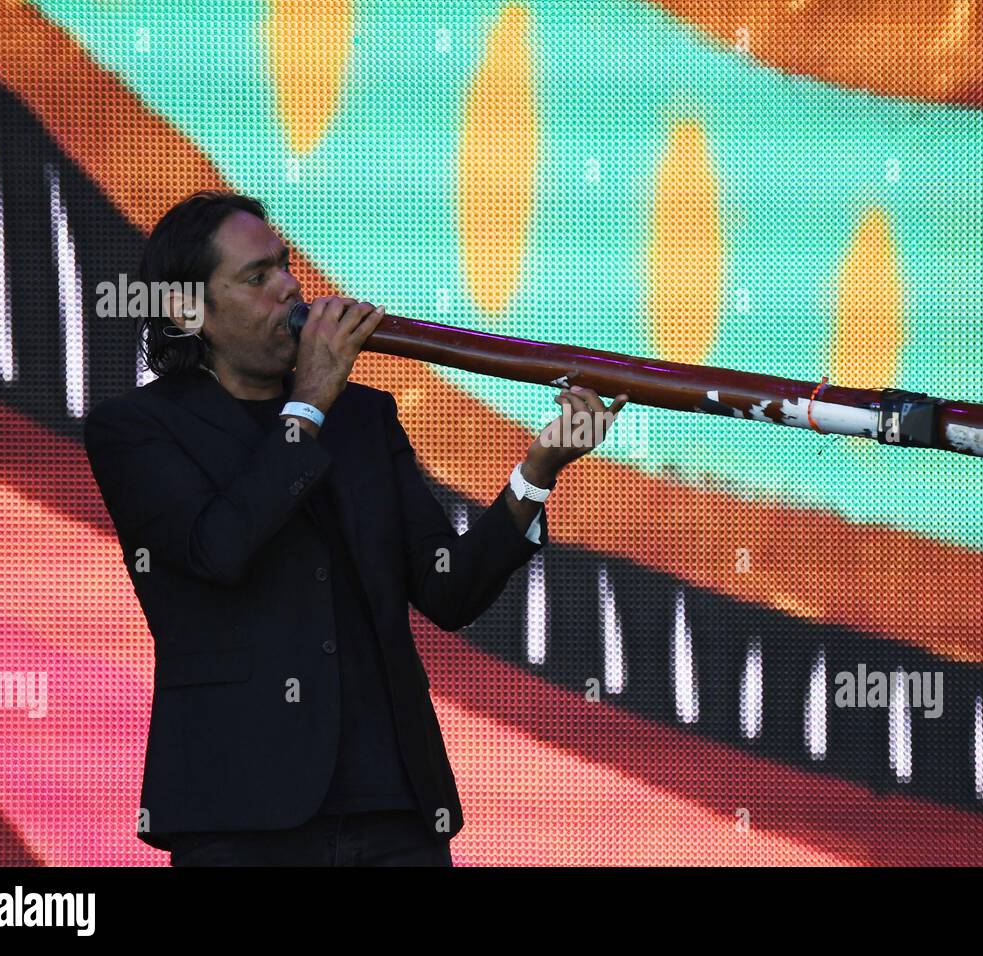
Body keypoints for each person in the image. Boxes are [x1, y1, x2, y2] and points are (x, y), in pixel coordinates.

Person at [84, 190, 627, 865]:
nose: (290, 286)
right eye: (258, 277)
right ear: (189, 311)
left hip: (393, 804)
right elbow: (218, 548)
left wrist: (538, 470)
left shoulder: (363, 417)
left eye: (284, 265)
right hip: (237, 814)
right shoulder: (135, 429)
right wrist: (308, 405)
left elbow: (448, 591)